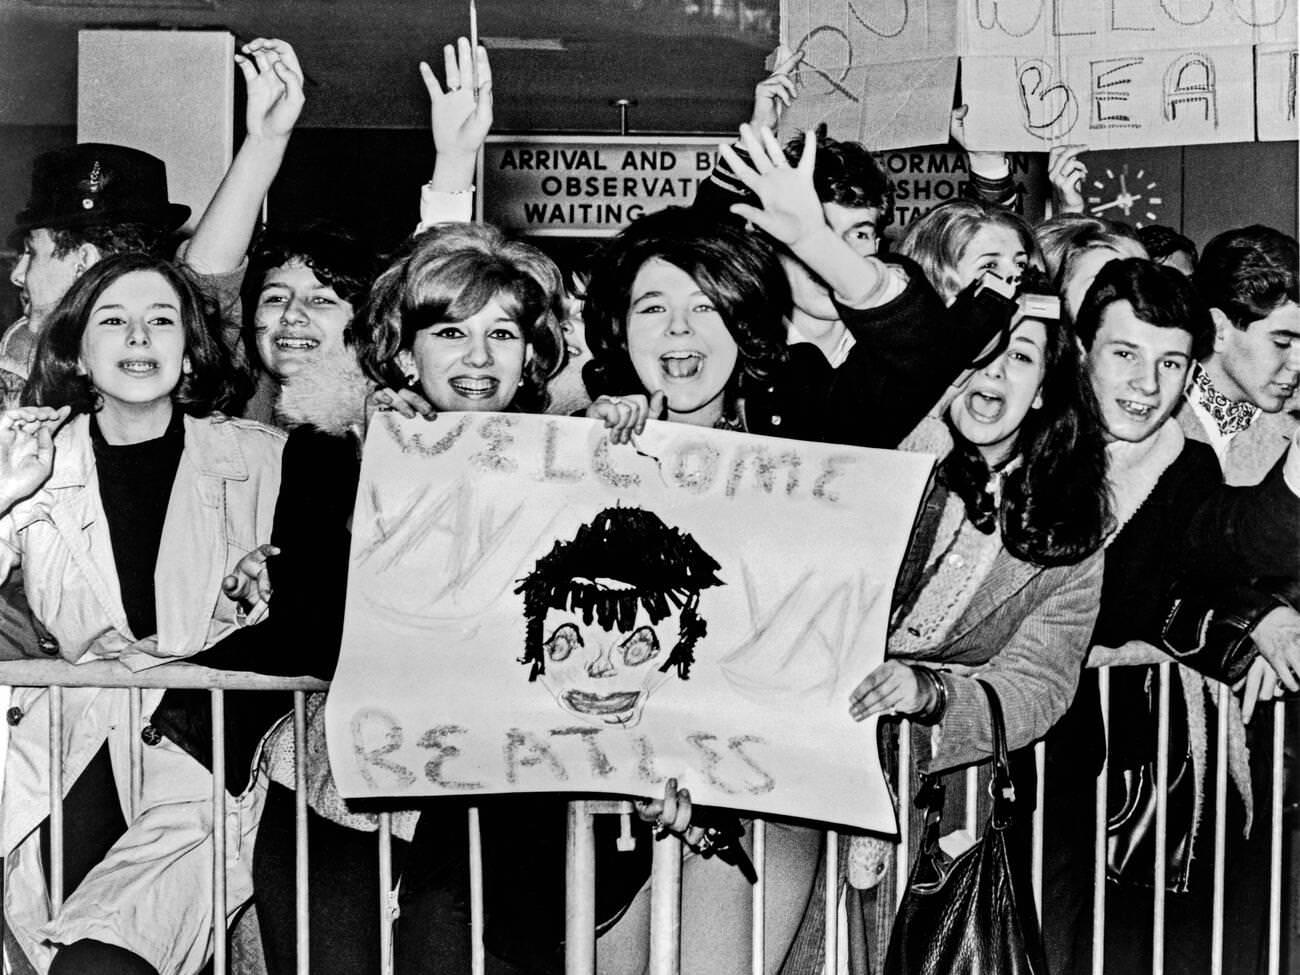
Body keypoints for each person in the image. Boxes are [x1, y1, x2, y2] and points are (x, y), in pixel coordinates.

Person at [0, 252, 284, 975]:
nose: (138, 337)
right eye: (113, 320)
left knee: (102, 962)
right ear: (78, 352)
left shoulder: (263, 459)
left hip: (197, 754)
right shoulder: (33, 458)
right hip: (64, 750)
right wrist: (3, 493)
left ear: (189, 349)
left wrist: (273, 586)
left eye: (161, 320)